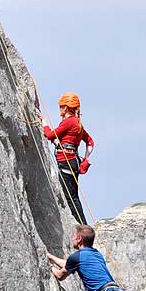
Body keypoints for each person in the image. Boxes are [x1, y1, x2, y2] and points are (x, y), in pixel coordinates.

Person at [39, 92, 92, 225]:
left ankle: (81, 225)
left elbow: (50, 135)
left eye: (61, 106)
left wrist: (43, 121)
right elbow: (90, 142)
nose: (60, 109)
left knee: (70, 197)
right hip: (73, 161)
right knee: (73, 196)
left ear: (67, 108)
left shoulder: (69, 122)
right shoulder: (78, 124)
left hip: (66, 161)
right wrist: (85, 159)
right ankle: (82, 224)